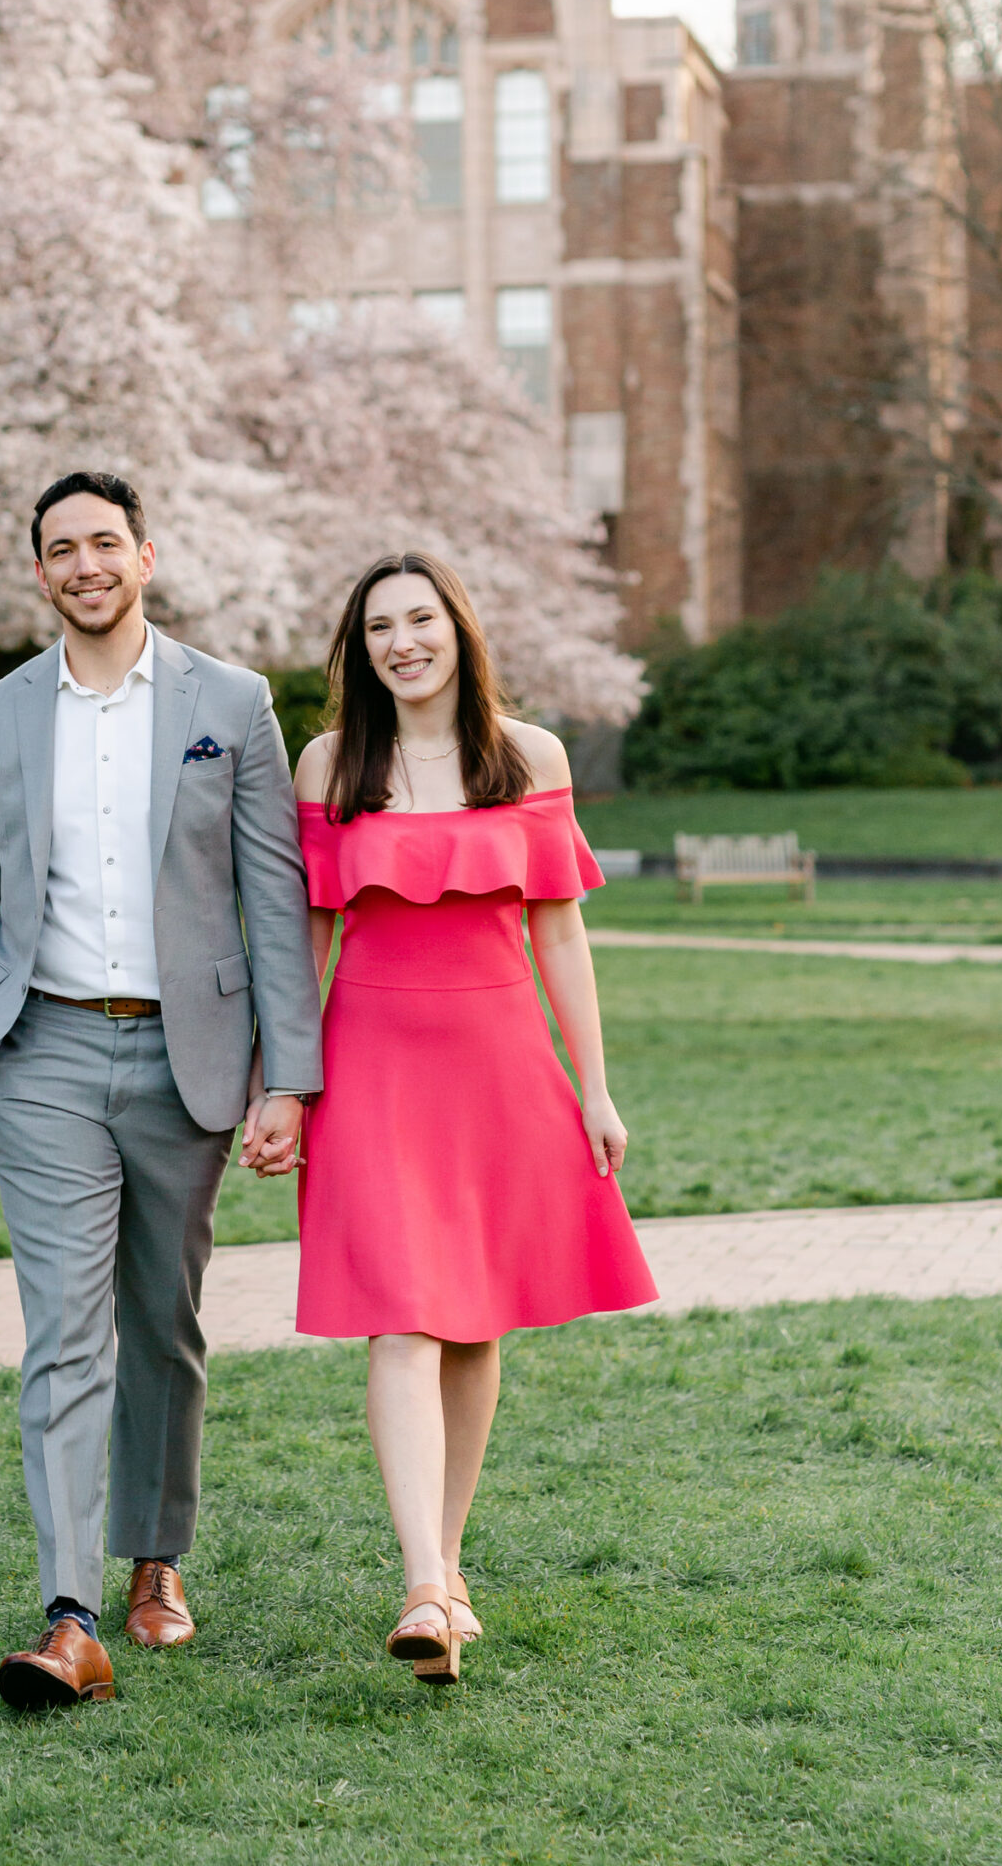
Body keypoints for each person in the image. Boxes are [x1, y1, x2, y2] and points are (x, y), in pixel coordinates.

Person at [0, 472, 322, 1711]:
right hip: (39, 1056)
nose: (86, 564)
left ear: (146, 556)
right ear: (38, 573)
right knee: (64, 1327)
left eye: (107, 542)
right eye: (62, 548)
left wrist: (290, 1078)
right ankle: (70, 1612)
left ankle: (157, 1562)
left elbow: (275, 898)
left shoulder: (230, 702)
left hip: (187, 1057)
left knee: (161, 1318)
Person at [242, 550, 656, 1686]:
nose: (402, 640)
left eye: (421, 618)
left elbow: (562, 933)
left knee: (474, 1323)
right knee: (401, 1316)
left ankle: (449, 1564)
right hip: (371, 1059)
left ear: (459, 629)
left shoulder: (530, 757)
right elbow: (306, 937)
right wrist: (285, 1079)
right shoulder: (330, 761)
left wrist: (596, 1086)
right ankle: (422, 1582)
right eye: (380, 626)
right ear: (359, 648)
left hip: (502, 1059)